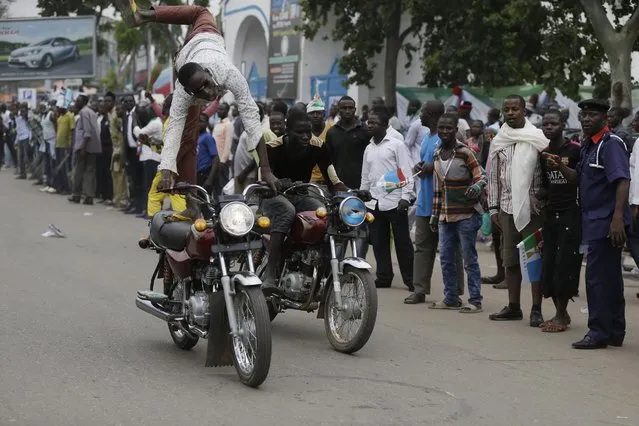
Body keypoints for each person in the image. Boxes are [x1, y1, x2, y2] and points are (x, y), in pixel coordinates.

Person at [118, 3, 277, 218]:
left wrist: (265, 168)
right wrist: (166, 168)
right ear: (189, 92)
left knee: (202, 11)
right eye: (200, 91)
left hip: (204, 37)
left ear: (209, 73)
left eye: (207, 84)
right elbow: (173, 129)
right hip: (183, 61)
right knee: (187, 137)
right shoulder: (185, 93)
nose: (209, 92)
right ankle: (192, 205)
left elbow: (251, 119)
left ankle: (145, 15)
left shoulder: (229, 73)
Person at [549, 99, 629, 349]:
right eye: (583, 115)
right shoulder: (588, 146)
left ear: (605, 118)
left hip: (605, 222)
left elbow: (622, 181)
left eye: (592, 115)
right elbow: (579, 178)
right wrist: (560, 167)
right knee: (610, 278)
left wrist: (617, 219)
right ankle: (614, 331)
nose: (585, 119)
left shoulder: (610, 144)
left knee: (597, 278)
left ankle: (598, 332)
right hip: (592, 220)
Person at [260, 107, 347, 293]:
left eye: (308, 131)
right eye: (300, 132)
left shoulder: (318, 146)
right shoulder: (273, 147)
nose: (306, 136)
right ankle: (269, 275)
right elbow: (264, 178)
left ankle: (317, 269)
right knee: (287, 211)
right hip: (274, 198)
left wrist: (352, 192)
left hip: (301, 195)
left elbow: (333, 179)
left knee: (323, 213)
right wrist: (275, 182)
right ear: (287, 130)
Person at [487, 94, 549, 327]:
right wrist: (493, 210)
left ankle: (536, 308)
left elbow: (546, 177)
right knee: (509, 260)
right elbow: (493, 179)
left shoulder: (538, 139)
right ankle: (514, 307)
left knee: (534, 260)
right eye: (507, 109)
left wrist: (542, 200)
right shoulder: (499, 140)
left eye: (515, 109)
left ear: (524, 111)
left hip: (532, 210)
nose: (511, 113)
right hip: (506, 208)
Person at [405, 101, 464, 304]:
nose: (419, 115)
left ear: (430, 114)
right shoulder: (427, 138)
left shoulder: (447, 138)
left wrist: (433, 167)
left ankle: (454, 292)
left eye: (422, 112)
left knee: (450, 248)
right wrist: (420, 166)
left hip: (445, 203)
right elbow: (426, 163)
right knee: (422, 247)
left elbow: (455, 162)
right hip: (425, 202)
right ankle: (419, 289)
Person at [429, 113, 486, 312]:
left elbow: (482, 177)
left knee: (469, 259)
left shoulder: (465, 152)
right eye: (441, 127)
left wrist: (476, 188)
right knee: (445, 258)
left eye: (449, 128)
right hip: (445, 215)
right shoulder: (436, 153)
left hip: (467, 215)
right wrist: (435, 215)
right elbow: (438, 188)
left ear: (456, 130)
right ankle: (451, 297)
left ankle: (475, 300)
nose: (444, 131)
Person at [536, 110, 582, 333]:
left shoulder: (574, 149)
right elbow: (546, 186)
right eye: (545, 124)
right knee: (550, 263)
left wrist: (561, 167)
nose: (549, 127)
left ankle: (561, 315)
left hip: (571, 214)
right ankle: (560, 313)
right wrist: (538, 196)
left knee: (565, 265)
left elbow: (580, 179)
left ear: (563, 125)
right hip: (551, 215)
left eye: (553, 123)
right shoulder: (544, 153)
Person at [361, 106, 414, 291]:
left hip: (395, 200)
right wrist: (363, 196)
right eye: (369, 122)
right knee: (378, 241)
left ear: (384, 125)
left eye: (374, 123)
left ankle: (411, 279)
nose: (370, 125)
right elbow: (365, 176)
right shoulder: (368, 147)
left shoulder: (396, 144)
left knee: (402, 242)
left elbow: (406, 171)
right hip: (374, 201)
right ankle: (384, 276)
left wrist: (406, 196)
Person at [325, 95, 371, 258]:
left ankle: (358, 264)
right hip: (338, 191)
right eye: (343, 108)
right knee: (339, 231)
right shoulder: (332, 133)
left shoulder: (365, 131)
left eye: (350, 108)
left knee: (360, 230)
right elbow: (327, 162)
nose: (347, 111)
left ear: (355, 109)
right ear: (338, 109)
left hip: (360, 190)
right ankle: (336, 269)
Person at [69, 94, 101, 205]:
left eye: (78, 101)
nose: (76, 103)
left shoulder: (83, 112)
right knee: (90, 172)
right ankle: (89, 196)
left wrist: (83, 148)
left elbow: (87, 132)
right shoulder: (91, 112)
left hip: (85, 147)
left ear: (83, 102)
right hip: (94, 147)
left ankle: (77, 195)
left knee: (79, 171)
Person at [110, 99, 129, 210]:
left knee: (122, 176)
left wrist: (120, 152)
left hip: (122, 151)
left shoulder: (124, 121)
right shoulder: (116, 120)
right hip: (117, 150)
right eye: (116, 109)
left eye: (119, 109)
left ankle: (122, 199)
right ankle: (117, 198)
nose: (117, 111)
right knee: (116, 174)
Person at [307, 95, 330, 185]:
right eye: (312, 113)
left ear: (323, 114)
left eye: (318, 113)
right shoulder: (304, 132)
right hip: (310, 180)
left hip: (329, 179)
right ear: (307, 115)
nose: (315, 116)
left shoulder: (332, 129)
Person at [195, 113, 219, 192]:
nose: (198, 123)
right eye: (197, 121)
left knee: (203, 200)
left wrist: (210, 179)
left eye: (201, 121)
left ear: (206, 124)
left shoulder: (207, 137)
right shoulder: (197, 136)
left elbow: (215, 157)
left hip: (205, 173)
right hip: (198, 173)